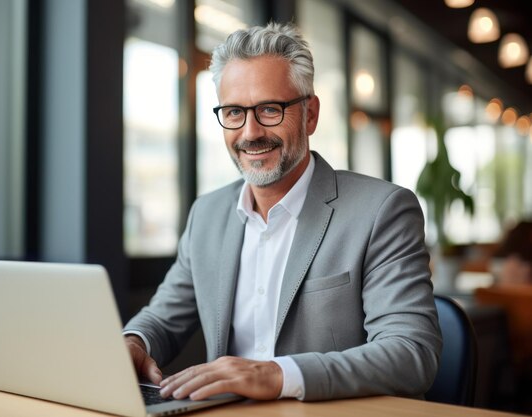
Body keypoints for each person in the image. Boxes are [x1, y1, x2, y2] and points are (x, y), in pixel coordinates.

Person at [123, 22, 442, 402]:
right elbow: (162, 318)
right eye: (234, 112)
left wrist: (277, 375)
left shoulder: (382, 211)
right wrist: (134, 342)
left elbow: (411, 354)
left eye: (270, 109)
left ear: (310, 115)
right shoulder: (206, 215)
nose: (250, 132)